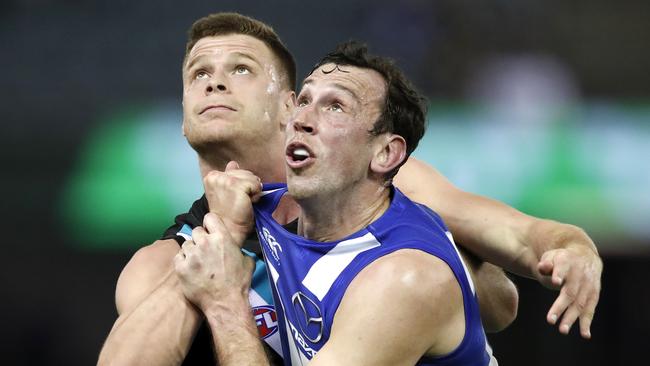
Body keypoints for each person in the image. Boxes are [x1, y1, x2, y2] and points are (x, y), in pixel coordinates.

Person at [97, 12, 602, 366]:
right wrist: (224, 233)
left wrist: (572, 246)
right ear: (182, 118)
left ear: (287, 105)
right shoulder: (174, 256)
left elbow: (504, 293)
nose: (214, 83)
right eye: (199, 74)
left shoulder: (392, 193)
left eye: (241, 70)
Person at [175, 41, 497, 365]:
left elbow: (505, 297)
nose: (302, 119)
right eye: (304, 100)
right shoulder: (259, 208)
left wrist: (225, 302)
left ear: (386, 154)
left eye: (335, 107)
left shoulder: (404, 277)